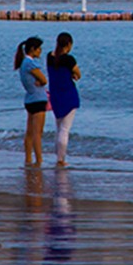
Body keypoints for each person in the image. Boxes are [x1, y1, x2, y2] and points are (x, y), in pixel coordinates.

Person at [47, 32, 82, 166]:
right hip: (68, 95)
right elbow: (78, 74)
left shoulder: (49, 57)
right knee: (65, 129)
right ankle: (61, 159)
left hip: (55, 96)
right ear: (69, 45)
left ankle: (58, 157)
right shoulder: (69, 59)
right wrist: (73, 74)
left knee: (59, 127)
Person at [14, 36, 48, 165]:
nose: (40, 51)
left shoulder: (23, 63)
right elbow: (44, 79)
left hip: (29, 99)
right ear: (33, 49)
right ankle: (39, 159)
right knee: (37, 133)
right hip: (38, 99)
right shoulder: (30, 63)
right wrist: (41, 81)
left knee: (29, 132)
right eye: (39, 49)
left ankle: (28, 158)